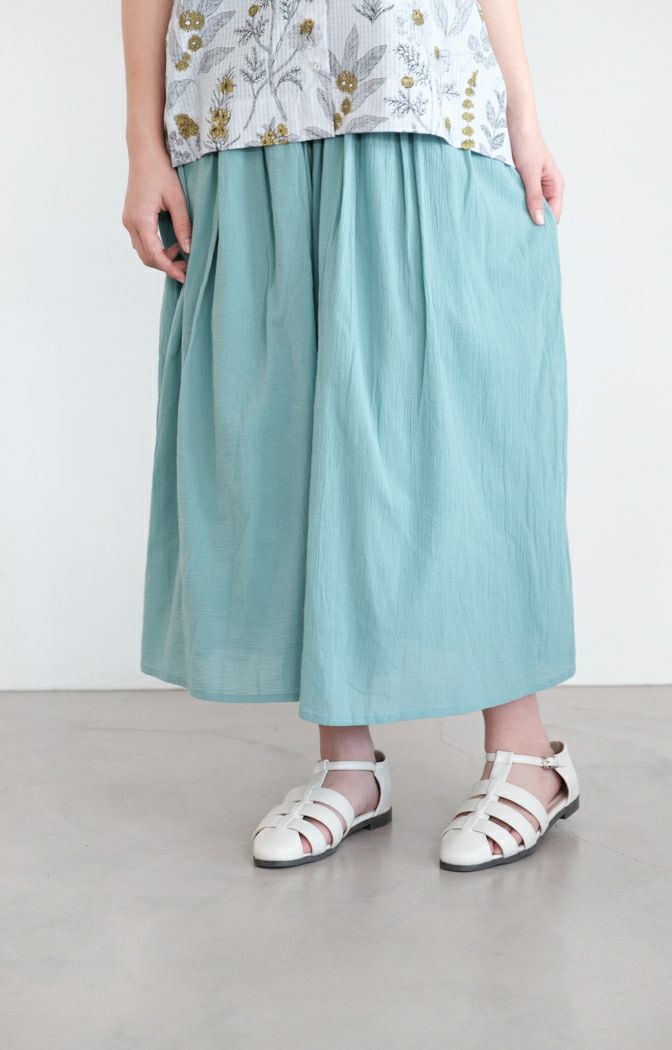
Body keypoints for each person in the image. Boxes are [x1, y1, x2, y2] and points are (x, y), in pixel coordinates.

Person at [122, 0, 580, 872]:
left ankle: (528, 757)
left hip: (418, 88)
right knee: (284, 430)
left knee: (458, 424)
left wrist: (524, 114)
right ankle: (348, 763)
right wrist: (143, 145)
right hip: (242, 103)